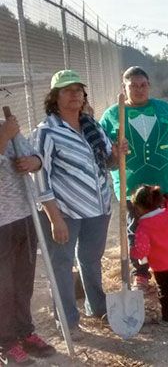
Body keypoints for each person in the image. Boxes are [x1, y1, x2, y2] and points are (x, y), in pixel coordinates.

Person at [32, 69, 127, 340]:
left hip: (98, 208)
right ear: (54, 98)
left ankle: (97, 307)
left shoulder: (91, 126)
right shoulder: (47, 132)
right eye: (67, 90)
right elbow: (40, 178)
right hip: (65, 212)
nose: (75, 94)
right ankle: (68, 321)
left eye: (78, 90)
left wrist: (116, 155)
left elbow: (106, 162)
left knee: (90, 259)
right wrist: (54, 219)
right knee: (62, 264)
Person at [99, 66, 168, 292]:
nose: (139, 89)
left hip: (164, 183)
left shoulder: (163, 109)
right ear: (123, 88)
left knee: (163, 228)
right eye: (133, 85)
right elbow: (101, 149)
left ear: (149, 86)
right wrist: (115, 151)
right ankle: (140, 274)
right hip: (131, 188)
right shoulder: (113, 115)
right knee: (135, 230)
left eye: (143, 85)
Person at [1, 115, 56, 365]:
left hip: (24, 213)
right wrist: (3, 135)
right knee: (3, 286)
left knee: (23, 281)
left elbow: (35, 157)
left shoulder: (6, 126)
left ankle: (25, 332)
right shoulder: (5, 129)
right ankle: (6, 341)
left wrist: (32, 161)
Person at [129, 185, 168, 325]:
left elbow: (143, 250)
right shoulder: (167, 214)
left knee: (164, 292)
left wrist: (133, 252)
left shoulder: (143, 227)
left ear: (139, 208)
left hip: (161, 265)